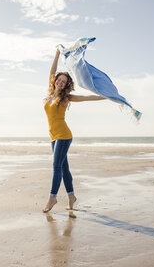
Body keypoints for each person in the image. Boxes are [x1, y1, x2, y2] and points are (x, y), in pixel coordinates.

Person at [43, 48, 106, 213]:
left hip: (64, 136)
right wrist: (56, 54)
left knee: (56, 167)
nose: (60, 82)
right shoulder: (50, 93)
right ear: (56, 80)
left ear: (66, 85)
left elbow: (86, 98)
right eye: (59, 80)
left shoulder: (66, 97)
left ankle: (52, 197)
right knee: (64, 169)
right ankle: (71, 197)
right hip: (53, 137)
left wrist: (105, 96)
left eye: (64, 82)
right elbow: (52, 71)